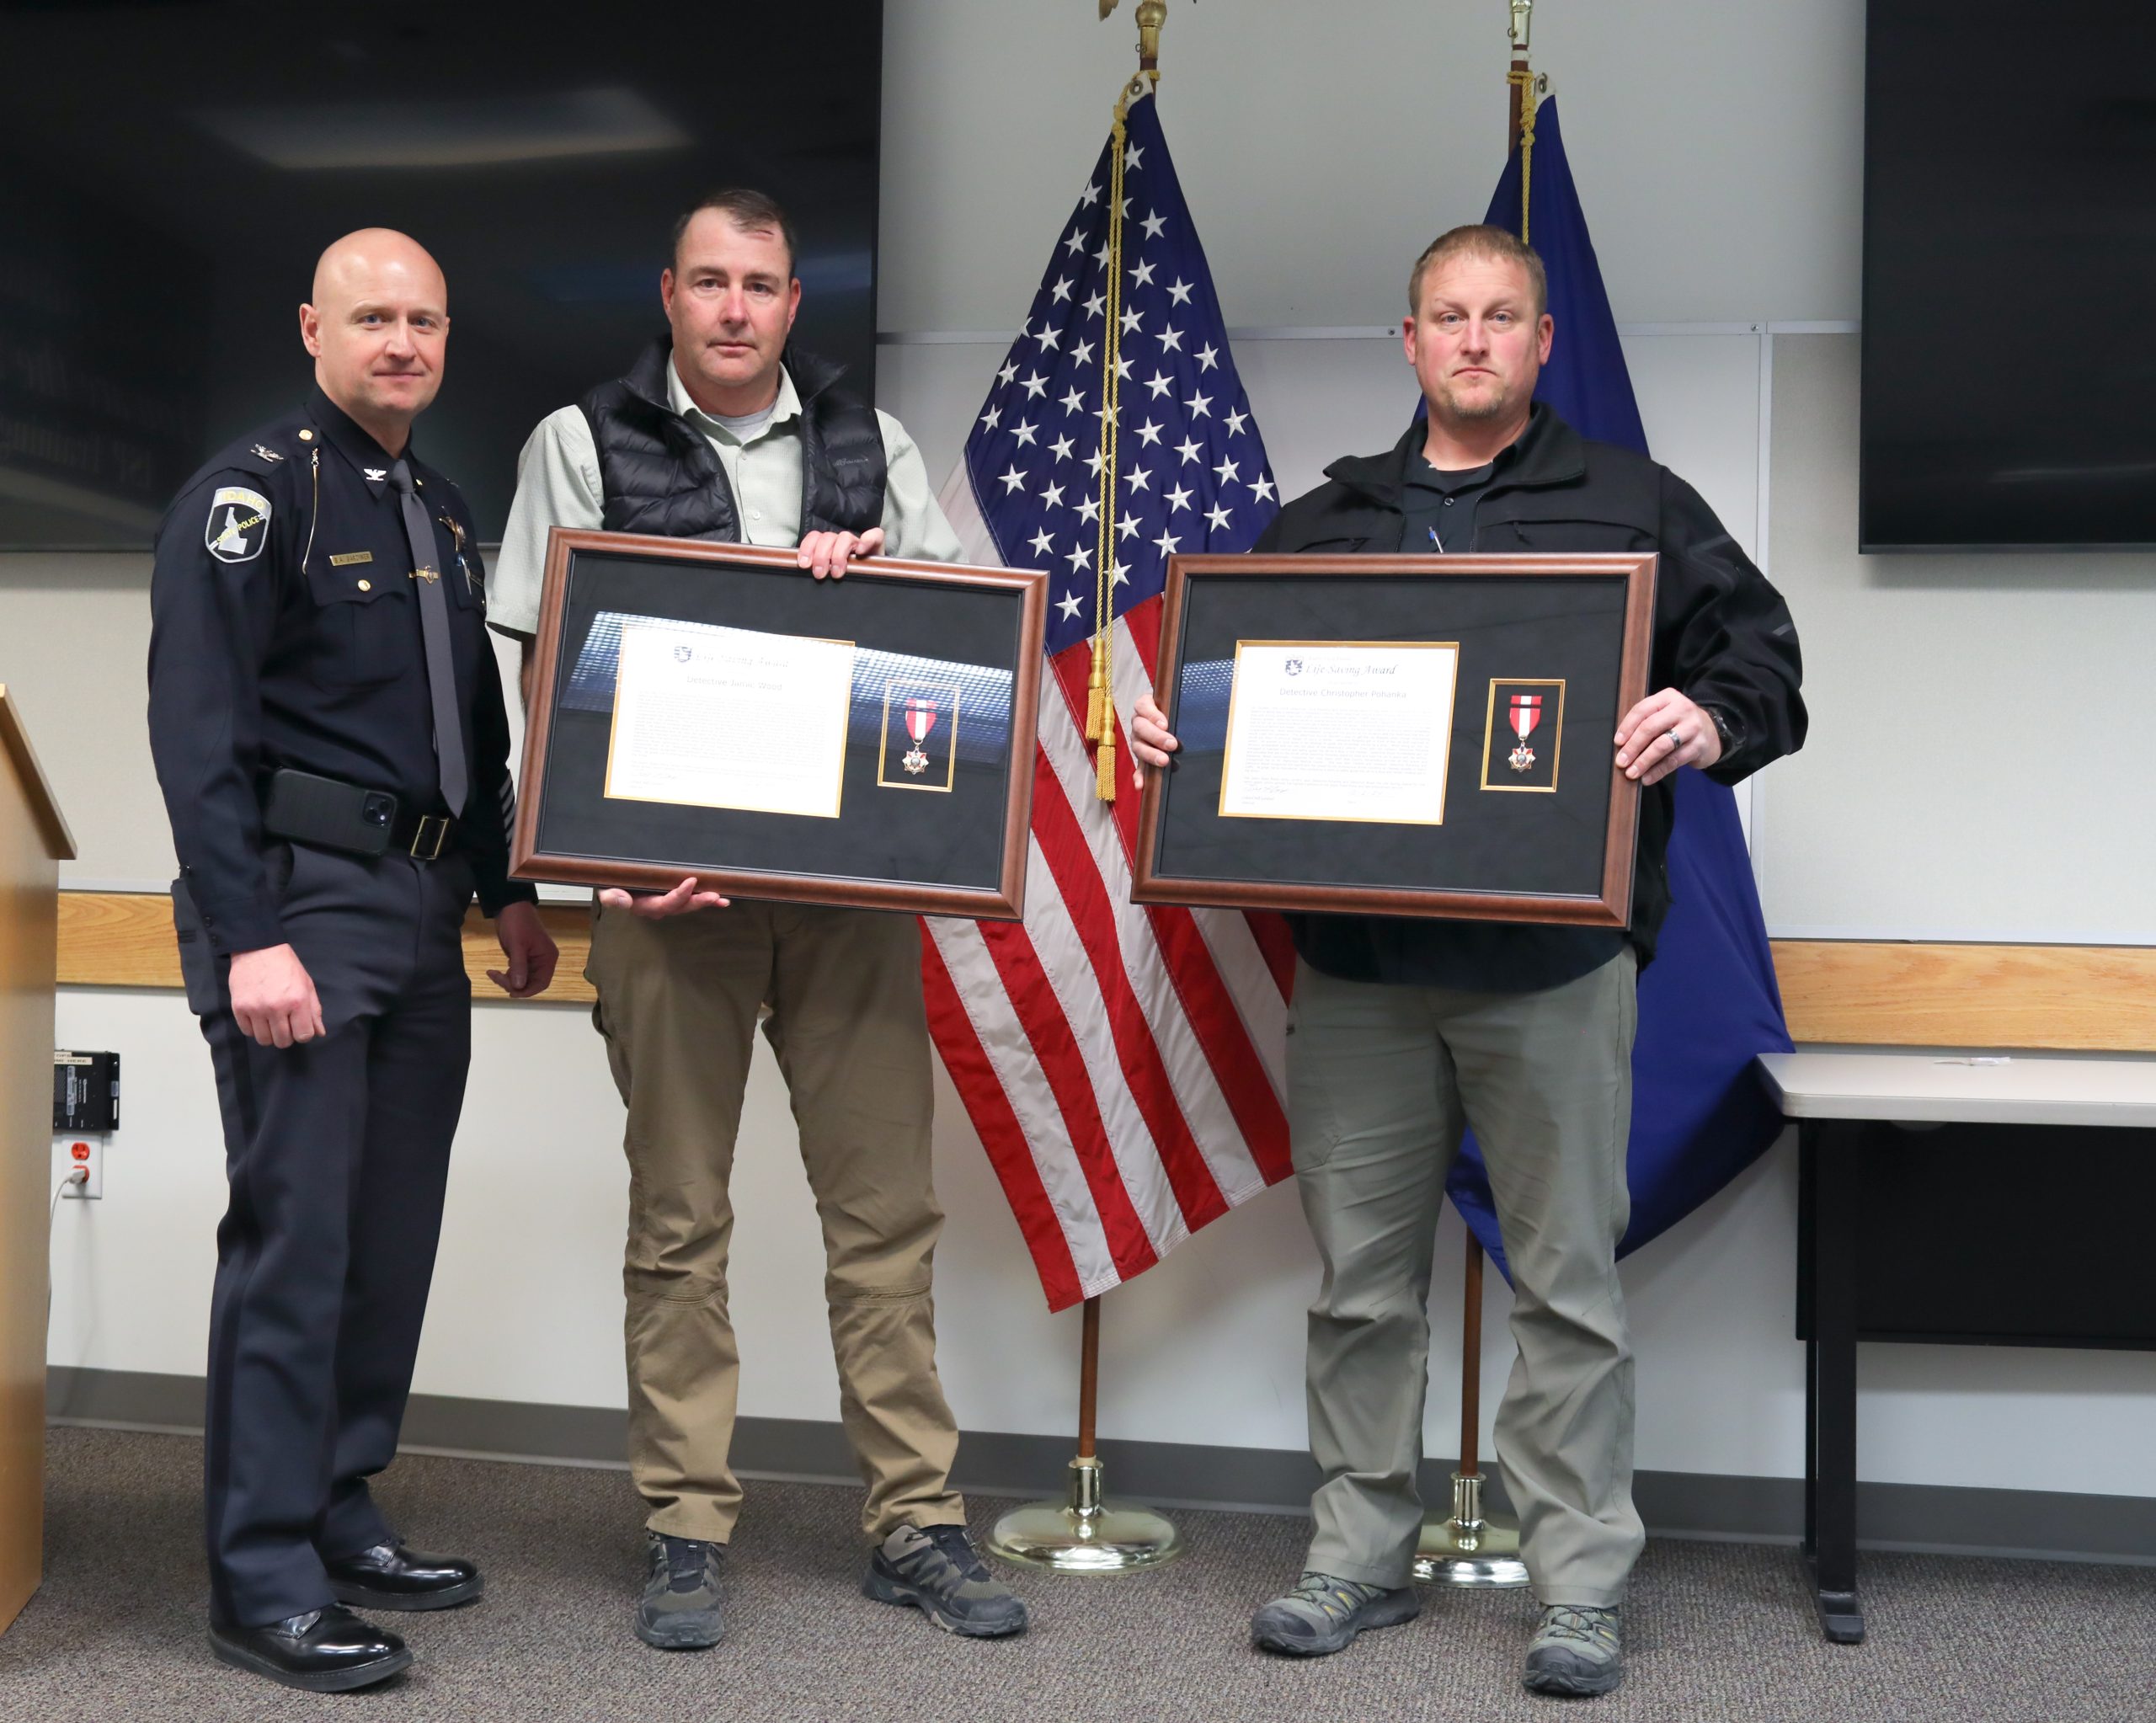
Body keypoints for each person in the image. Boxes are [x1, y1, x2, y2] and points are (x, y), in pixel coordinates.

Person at [1131, 223, 1806, 1699]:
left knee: (1568, 1288)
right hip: (1363, 974)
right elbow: (1233, 703)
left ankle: (1575, 1589)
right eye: (1450, 316)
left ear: (1542, 341)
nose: (1477, 339)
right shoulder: (1322, 526)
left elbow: (1766, 662)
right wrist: (1180, 741)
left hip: (1556, 976)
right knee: (1362, 1286)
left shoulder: (1633, 506)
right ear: (1412, 340)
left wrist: (1707, 716)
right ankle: (1356, 1557)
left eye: (1505, 316)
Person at [488, 189, 1025, 1650]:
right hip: (672, 909)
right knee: (679, 1220)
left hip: (848, 907)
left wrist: (886, 579)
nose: (737, 308)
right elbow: (531, 666)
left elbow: (968, 645)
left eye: (765, 285)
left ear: (797, 303)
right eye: (711, 282)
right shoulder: (577, 444)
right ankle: (683, 1524)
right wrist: (590, 863)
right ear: (669, 293)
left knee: (886, 1222)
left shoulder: (877, 447)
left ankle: (913, 1518)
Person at [147, 229, 558, 1694]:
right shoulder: (252, 498)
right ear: (312, 326)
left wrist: (506, 886)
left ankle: (334, 1508)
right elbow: (197, 738)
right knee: (296, 1245)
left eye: (425, 320)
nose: (402, 342)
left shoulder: (440, 510)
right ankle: (259, 1578)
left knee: (385, 1243)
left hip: (421, 902)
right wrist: (248, 932)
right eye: (373, 317)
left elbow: (477, 725)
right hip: (296, 905)